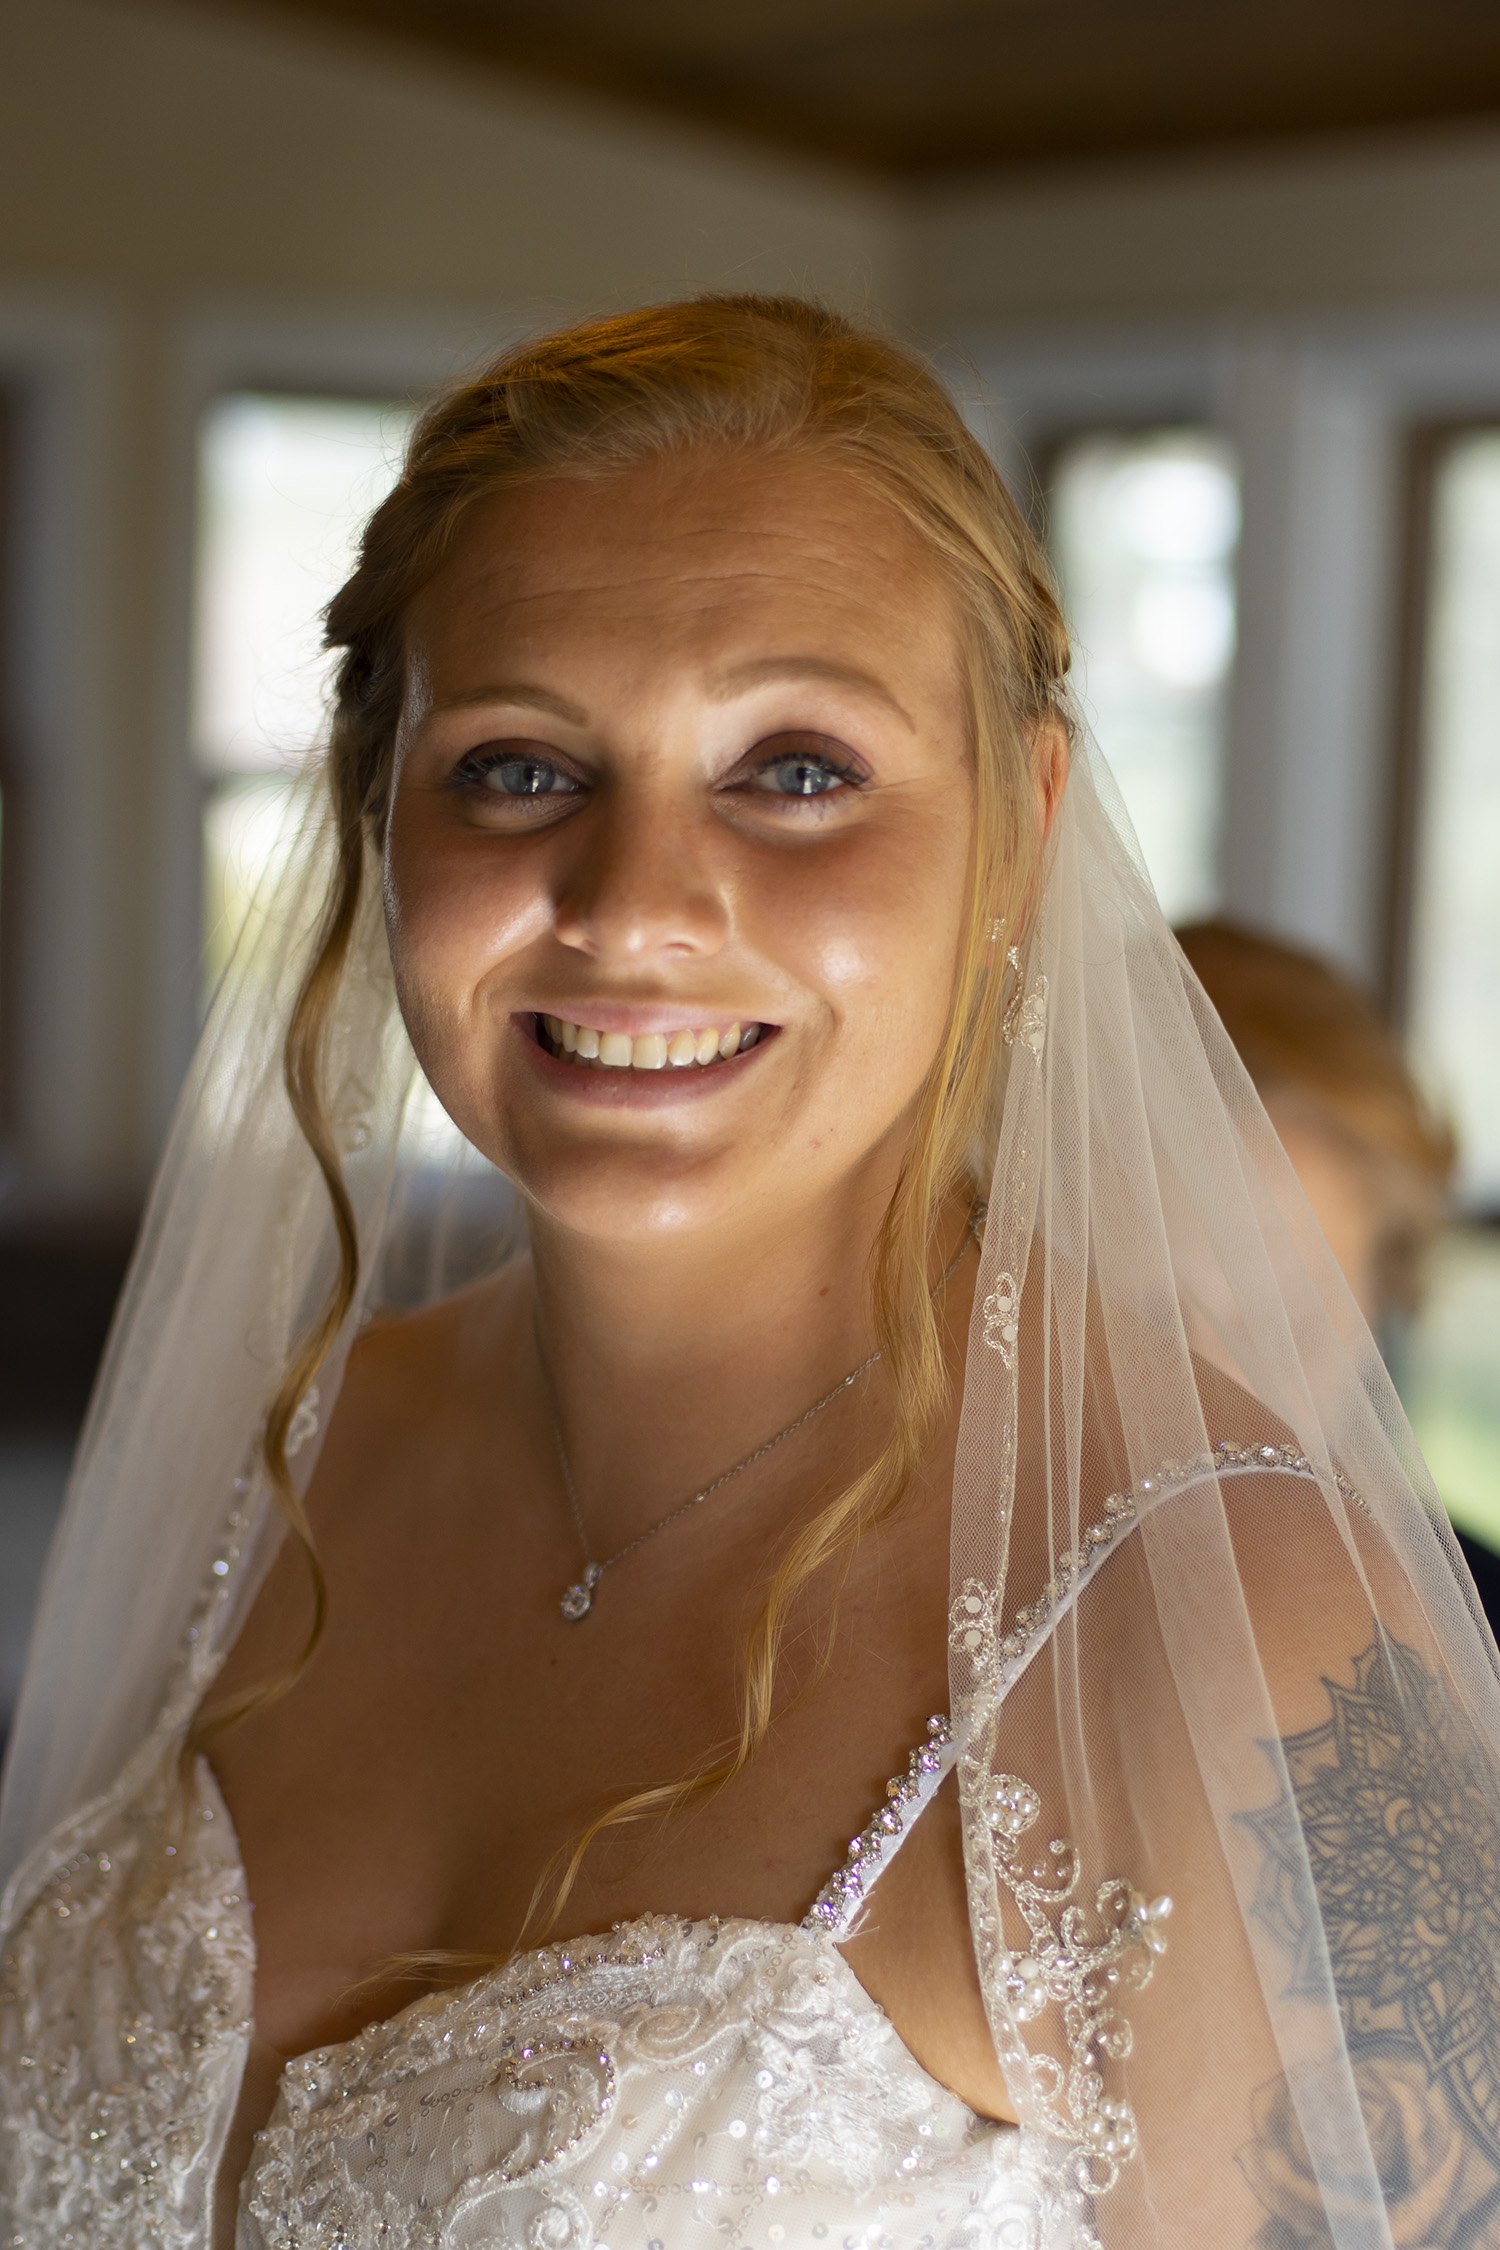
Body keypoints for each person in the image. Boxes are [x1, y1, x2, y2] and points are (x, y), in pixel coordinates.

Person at [1, 297, 1498, 2250]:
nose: (632, 908)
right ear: (381, 811)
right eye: (517, 767)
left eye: (795, 770)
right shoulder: (279, 1453)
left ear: (1022, 831)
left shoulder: (1232, 1637)